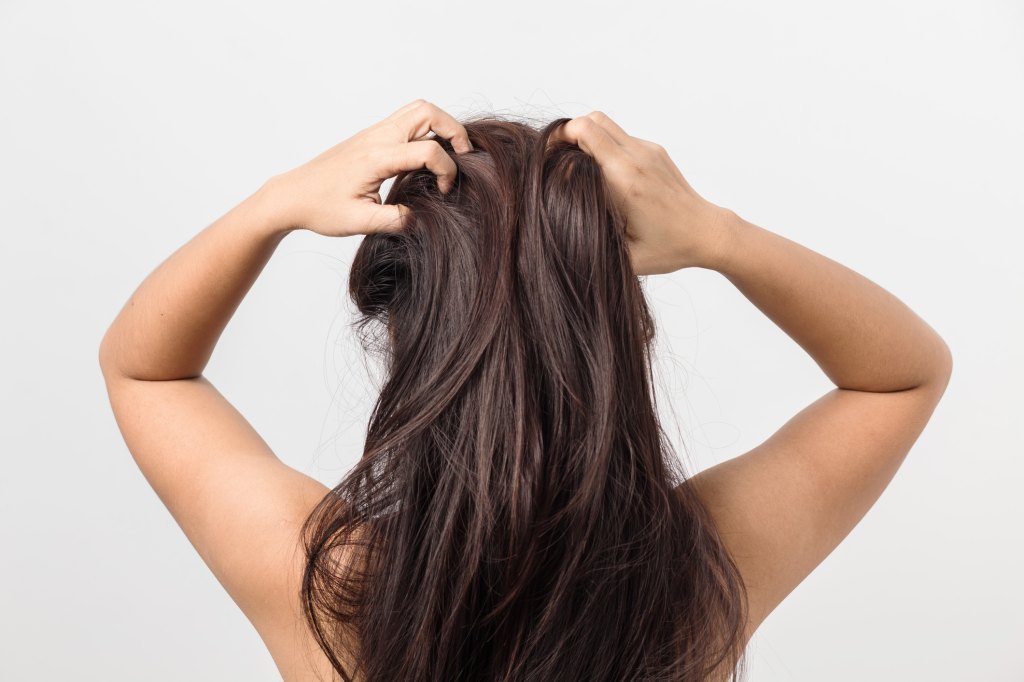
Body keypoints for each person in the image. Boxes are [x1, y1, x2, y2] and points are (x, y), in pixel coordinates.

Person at [99, 99, 953, 682]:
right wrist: (719, 237)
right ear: (623, 336)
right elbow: (900, 377)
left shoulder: (331, 591)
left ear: (407, 340)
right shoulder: (695, 583)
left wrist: (271, 205)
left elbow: (145, 368)